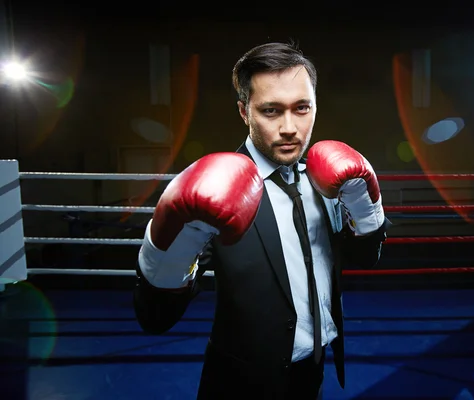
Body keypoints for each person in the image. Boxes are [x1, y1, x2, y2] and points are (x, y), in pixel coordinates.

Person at [133, 41, 391, 399]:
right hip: (242, 383)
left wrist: (365, 210)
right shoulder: (220, 187)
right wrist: (167, 249)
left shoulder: (325, 179)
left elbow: (366, 257)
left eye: (302, 108)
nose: (289, 128)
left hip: (313, 373)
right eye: (271, 111)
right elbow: (155, 318)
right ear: (244, 111)